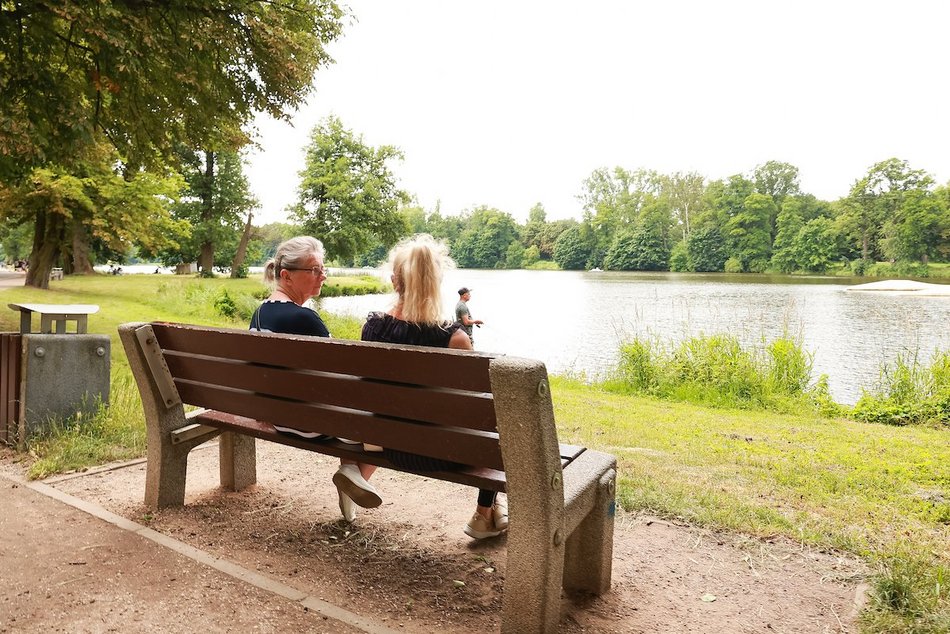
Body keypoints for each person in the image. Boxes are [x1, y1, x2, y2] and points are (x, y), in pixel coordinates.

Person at [361, 234, 508, 539]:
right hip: (443, 454)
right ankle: (484, 514)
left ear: (394, 281)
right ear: (435, 283)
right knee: (498, 425)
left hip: (388, 446)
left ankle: (491, 511)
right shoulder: (455, 339)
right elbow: (476, 411)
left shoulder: (373, 327)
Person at [249, 236, 381, 522]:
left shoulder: (260, 312)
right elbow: (345, 374)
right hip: (311, 423)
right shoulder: (304, 318)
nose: (323, 277)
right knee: (382, 409)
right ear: (286, 275)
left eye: (323, 269)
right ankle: (354, 474)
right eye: (314, 270)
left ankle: (352, 477)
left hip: (279, 417)